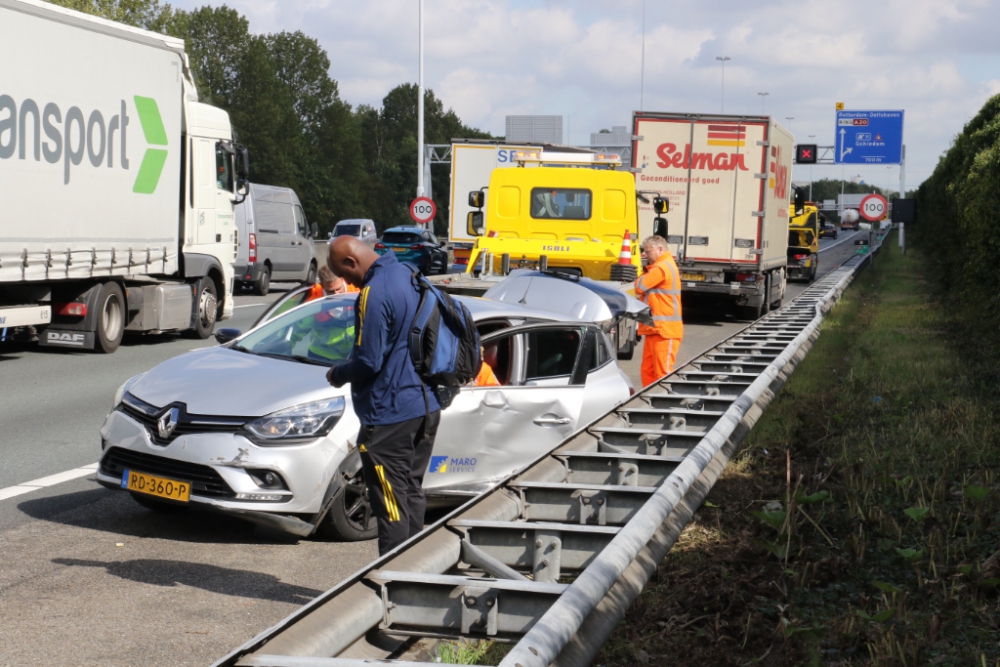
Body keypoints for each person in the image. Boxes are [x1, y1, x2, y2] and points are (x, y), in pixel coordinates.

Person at [325, 236, 441, 555]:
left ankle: (393, 582)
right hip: (425, 406)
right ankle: (416, 572)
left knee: (389, 505)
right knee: (411, 493)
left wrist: (338, 373)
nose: (349, 282)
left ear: (351, 262)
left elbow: (368, 361)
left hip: (389, 416)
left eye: (347, 276)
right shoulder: (408, 273)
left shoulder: (373, 294)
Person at [633, 235, 683, 387]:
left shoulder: (661, 267)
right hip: (656, 329)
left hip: (664, 330)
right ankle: (650, 405)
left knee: (663, 373)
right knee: (648, 371)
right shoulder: (662, 266)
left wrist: (644, 272)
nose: (645, 255)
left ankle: (664, 407)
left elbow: (639, 287)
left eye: (648, 252)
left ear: (660, 249)